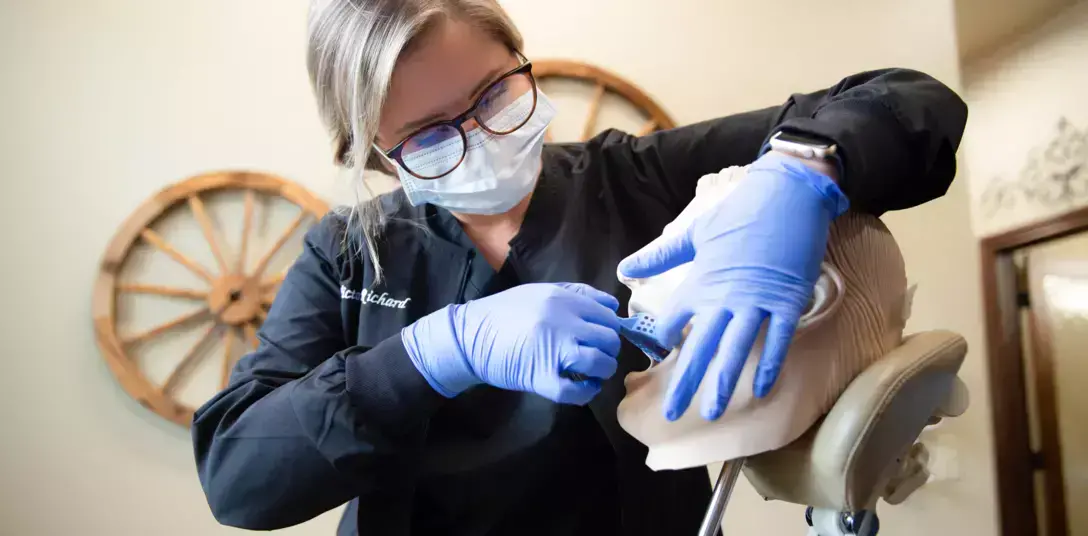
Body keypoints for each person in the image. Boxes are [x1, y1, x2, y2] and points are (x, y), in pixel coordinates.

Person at [192, 0, 968, 534]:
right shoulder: (346, 252)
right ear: (372, 154)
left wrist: (804, 170)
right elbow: (239, 475)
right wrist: (434, 355)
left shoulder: (641, 178)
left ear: (520, 57)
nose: (482, 136)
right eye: (429, 137)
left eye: (495, 95)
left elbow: (907, 100)